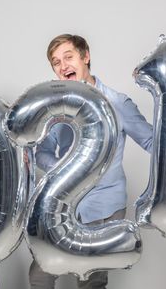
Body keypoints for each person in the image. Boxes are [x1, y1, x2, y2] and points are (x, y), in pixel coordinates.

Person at [29, 34, 153, 289]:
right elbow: (42, 152)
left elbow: (152, 142)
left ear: (86, 57)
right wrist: (67, 172)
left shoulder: (117, 102)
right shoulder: (56, 108)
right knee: (40, 275)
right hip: (61, 207)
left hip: (103, 207)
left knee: (91, 281)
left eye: (68, 57)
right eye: (56, 62)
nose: (63, 66)